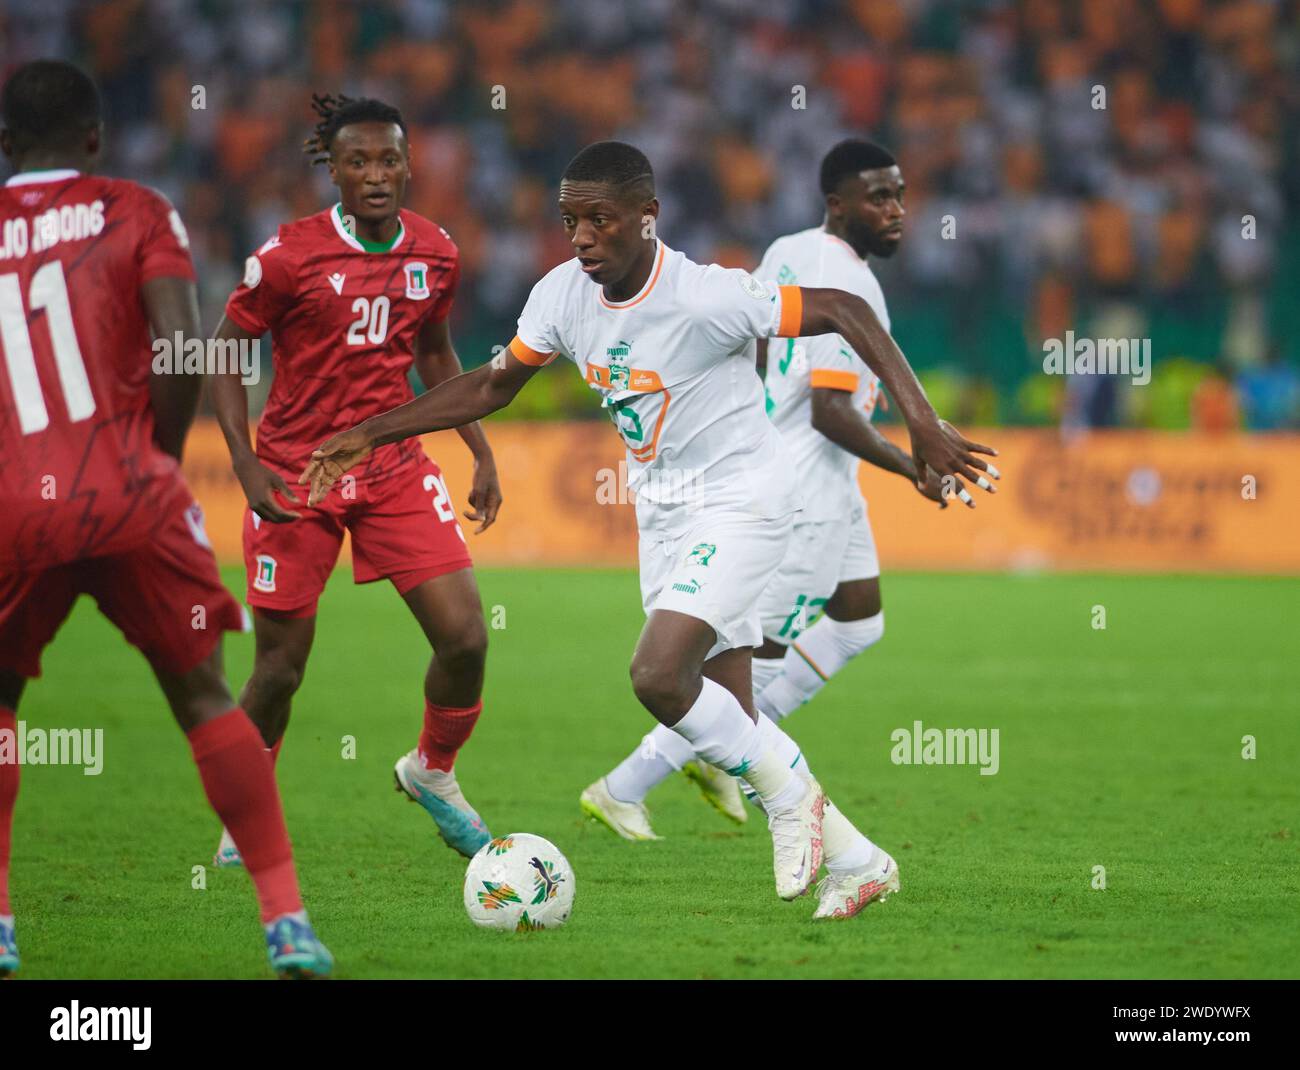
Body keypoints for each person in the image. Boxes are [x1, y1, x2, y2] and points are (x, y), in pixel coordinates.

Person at [300, 141, 998, 917]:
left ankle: (792, 801)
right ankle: (861, 862)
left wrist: (923, 422)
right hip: (664, 515)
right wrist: (375, 429)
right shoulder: (563, 295)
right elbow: (495, 384)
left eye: (601, 219)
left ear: (647, 217)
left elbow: (847, 309)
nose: (583, 237)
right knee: (731, 723)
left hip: (746, 500)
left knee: (657, 676)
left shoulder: (706, 296)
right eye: (571, 221)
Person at [0, 59, 331, 977]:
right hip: (129, 490)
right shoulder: (136, 209)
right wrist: (154, 455)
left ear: (6, 147)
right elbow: (182, 344)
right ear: (97, 139)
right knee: (205, 697)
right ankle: (285, 919)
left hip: (11, 504)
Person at [584, 141, 987, 869]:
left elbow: (764, 352)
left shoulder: (789, 249)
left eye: (900, 195)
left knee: (859, 621)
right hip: (802, 490)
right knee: (744, 662)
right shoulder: (846, 279)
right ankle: (628, 783)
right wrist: (910, 460)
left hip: (824, 481)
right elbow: (831, 409)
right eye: (879, 198)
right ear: (838, 204)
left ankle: (717, 753)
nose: (896, 211)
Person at [207, 94, 502, 865]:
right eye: (358, 162)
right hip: (296, 476)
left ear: (410, 165)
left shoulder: (436, 251)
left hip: (394, 467)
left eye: (389, 160)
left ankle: (432, 771)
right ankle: (248, 814)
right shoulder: (288, 256)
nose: (376, 174)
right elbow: (224, 351)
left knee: (467, 637)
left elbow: (435, 358)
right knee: (279, 670)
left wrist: (479, 448)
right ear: (332, 171)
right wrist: (244, 461)